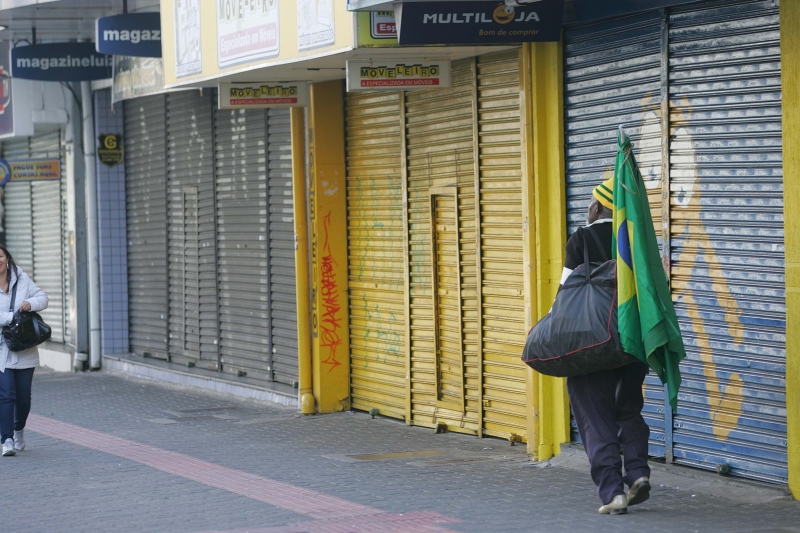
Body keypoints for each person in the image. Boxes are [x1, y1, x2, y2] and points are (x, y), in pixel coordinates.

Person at [560, 178, 651, 515]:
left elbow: (565, 294)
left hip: (591, 344)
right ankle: (638, 472)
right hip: (632, 341)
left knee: (593, 415)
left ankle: (613, 492)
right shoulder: (637, 240)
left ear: (595, 207)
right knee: (628, 408)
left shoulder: (582, 238)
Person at [0, 244, 48, 457]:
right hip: (2, 348)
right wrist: (12, 318)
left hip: (24, 347)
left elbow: (43, 298)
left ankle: (19, 430)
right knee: (6, 395)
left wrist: (30, 302)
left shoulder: (21, 277)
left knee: (23, 398)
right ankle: (7, 439)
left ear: (7, 258)